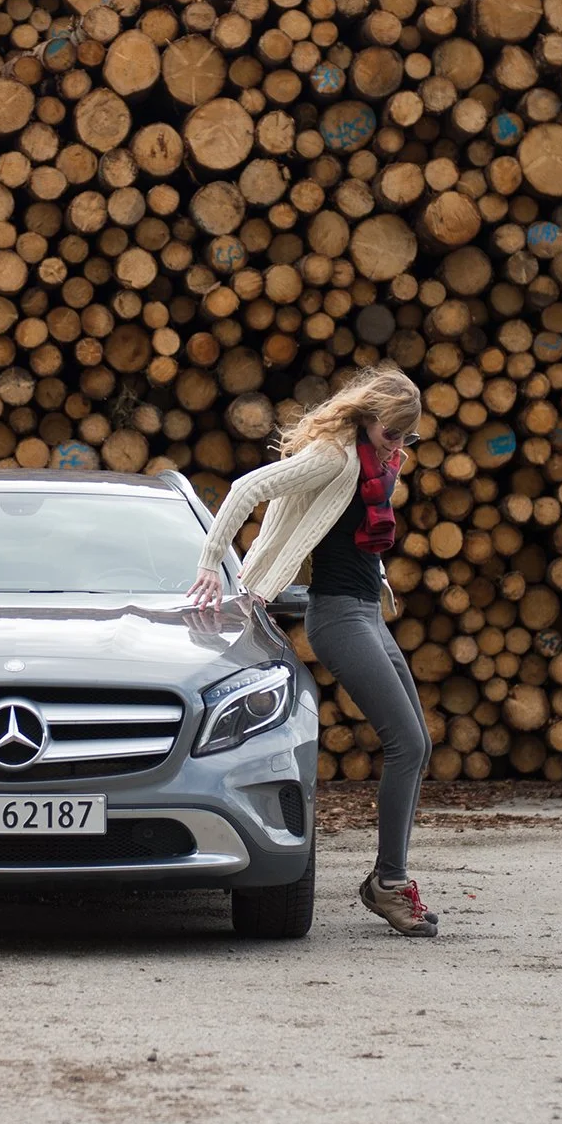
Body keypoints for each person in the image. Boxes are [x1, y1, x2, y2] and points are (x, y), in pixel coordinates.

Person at [187, 364, 437, 937]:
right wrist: (210, 566)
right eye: (391, 434)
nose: (398, 447)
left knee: (416, 745)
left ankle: (388, 879)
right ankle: (390, 885)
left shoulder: (378, 460)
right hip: (338, 617)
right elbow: (245, 489)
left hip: (367, 612)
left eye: (407, 437)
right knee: (403, 743)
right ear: (367, 417)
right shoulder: (335, 455)